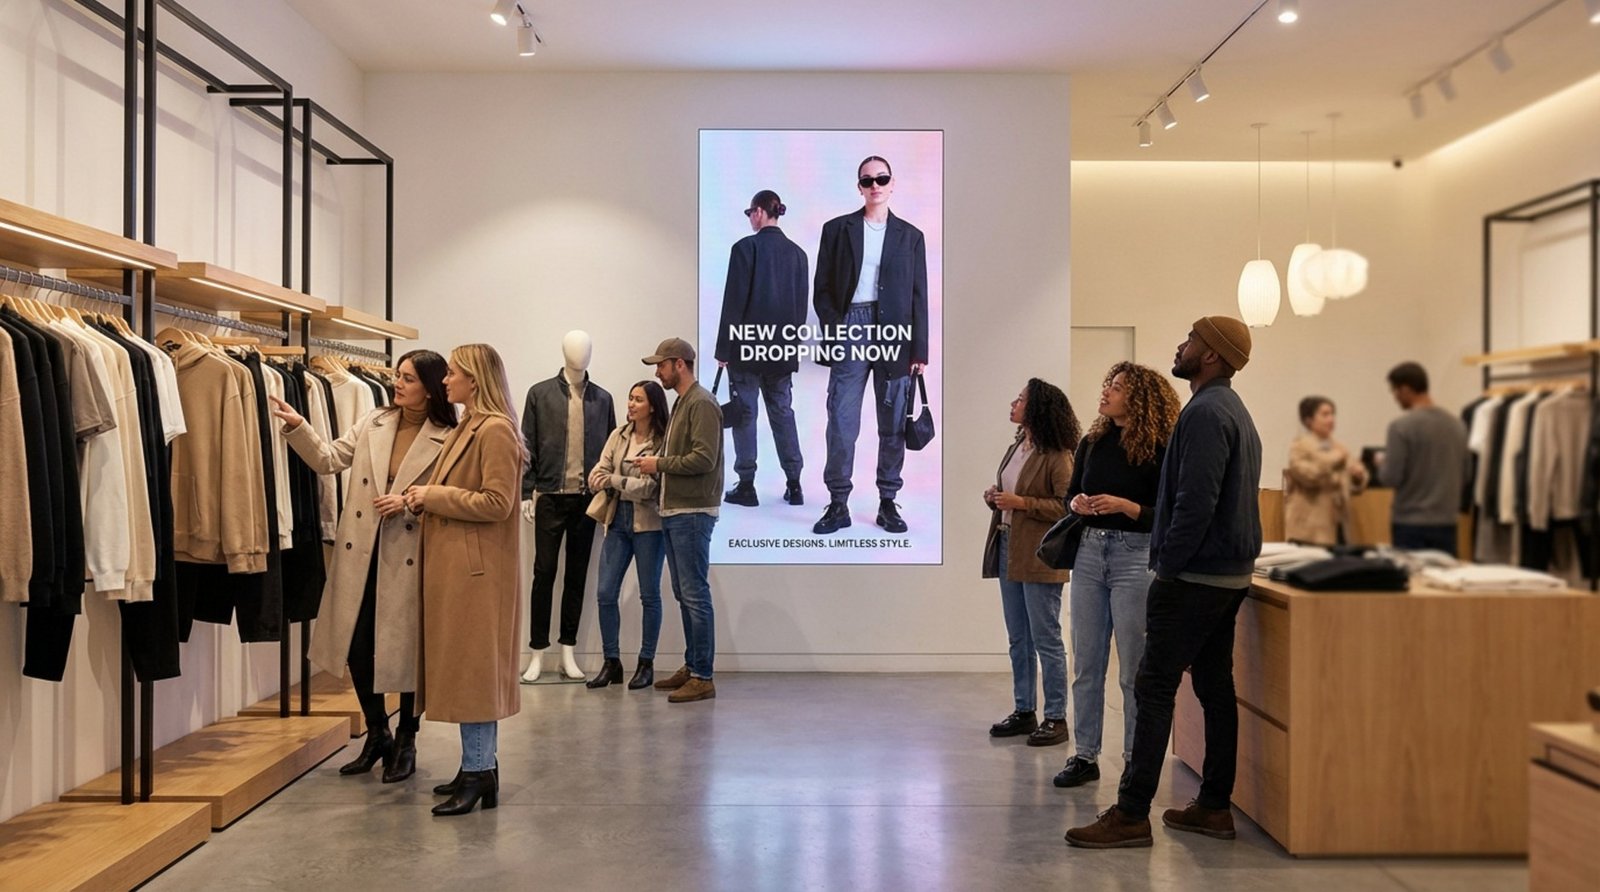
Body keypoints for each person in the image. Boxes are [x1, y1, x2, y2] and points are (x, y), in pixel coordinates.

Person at [1067, 316, 1262, 849]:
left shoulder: (1203, 414)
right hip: (1227, 576)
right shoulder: (1232, 411)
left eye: (1191, 341)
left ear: (1212, 356)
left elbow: (1193, 504)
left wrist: (1168, 565)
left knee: (1154, 687)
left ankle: (1131, 814)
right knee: (1215, 687)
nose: (1181, 346)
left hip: (1195, 576)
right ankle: (1215, 807)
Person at [267, 350, 455, 784]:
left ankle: (408, 737)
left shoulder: (450, 434)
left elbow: (452, 493)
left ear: (430, 386)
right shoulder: (375, 421)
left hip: (410, 553)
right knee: (356, 644)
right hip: (361, 553)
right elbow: (330, 459)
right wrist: (299, 426)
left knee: (407, 649)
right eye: (397, 375)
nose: (397, 383)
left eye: (407, 378)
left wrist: (411, 500)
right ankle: (377, 733)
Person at [402, 343, 526, 816]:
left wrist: (436, 494)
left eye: (453, 373)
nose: (446, 380)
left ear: (475, 380)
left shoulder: (495, 430)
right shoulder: (468, 426)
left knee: (474, 677)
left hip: (478, 574)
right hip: (461, 570)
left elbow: (498, 503)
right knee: (466, 673)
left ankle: (477, 774)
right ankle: (478, 768)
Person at [1054, 362, 1181, 790]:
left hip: (1134, 556)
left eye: (1118, 387)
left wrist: (1126, 507)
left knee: (1132, 670)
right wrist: (1078, 506)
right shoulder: (1093, 441)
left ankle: (1133, 759)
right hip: (1089, 552)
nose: (1106, 391)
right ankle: (1084, 755)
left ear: (1139, 398)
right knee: (1086, 663)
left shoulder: (1162, 447)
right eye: (1108, 383)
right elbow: (1071, 494)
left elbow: (1167, 512)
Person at [811, 155, 929, 536]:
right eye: (867, 180)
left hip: (895, 332)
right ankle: (838, 502)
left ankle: (888, 501)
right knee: (842, 420)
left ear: (892, 183)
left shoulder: (911, 237)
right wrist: (837, 327)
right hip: (853, 325)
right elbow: (823, 288)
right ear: (859, 186)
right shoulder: (837, 230)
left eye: (882, 178)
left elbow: (918, 296)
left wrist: (919, 351)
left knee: (892, 421)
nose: (875, 185)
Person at [982, 378, 1079, 747]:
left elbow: (1068, 507)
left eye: (1019, 399)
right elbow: (1015, 494)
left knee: (1046, 638)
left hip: (1040, 554)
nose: (1013, 402)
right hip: (1008, 545)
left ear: (1036, 407)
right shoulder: (1018, 446)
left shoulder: (1058, 455)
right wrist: (995, 498)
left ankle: (1056, 717)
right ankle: (1025, 710)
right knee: (1018, 638)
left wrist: (1021, 504)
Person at [632, 338, 723, 703]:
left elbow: (704, 458)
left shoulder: (701, 403)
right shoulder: (686, 402)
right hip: (676, 511)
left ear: (679, 365)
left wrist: (659, 464)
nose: (658, 372)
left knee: (694, 595)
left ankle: (703, 675)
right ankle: (694, 665)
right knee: (685, 594)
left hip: (692, 513)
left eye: (661, 365)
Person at [714, 190, 809, 508]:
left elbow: (734, 303)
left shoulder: (744, 249)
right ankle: (794, 484)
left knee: (745, 415)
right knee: (783, 413)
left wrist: (724, 349)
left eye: (749, 213)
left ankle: (747, 484)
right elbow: (799, 310)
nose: (750, 219)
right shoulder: (798, 254)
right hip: (781, 352)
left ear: (758, 212)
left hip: (746, 348)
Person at [585, 380, 671, 691]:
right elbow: (597, 473)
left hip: (650, 526)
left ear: (652, 405)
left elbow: (650, 488)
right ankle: (612, 662)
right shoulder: (618, 435)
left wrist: (614, 480)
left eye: (638, 400)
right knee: (605, 593)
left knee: (650, 596)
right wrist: (611, 479)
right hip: (617, 521)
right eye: (630, 398)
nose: (631, 404)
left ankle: (646, 662)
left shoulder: (663, 440)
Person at [1381, 362, 1468, 554]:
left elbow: (1391, 477)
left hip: (1410, 522)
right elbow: (1466, 473)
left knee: (1414, 580)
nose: (1395, 397)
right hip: (1447, 521)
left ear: (1404, 389)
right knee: (1443, 581)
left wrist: (1381, 464)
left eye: (1394, 391)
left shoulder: (1400, 426)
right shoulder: (1457, 425)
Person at [1284, 396, 1368, 545]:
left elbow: (1355, 480)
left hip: (1338, 524)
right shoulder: (1300, 446)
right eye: (1325, 414)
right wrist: (1335, 459)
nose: (1331, 419)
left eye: (1332, 414)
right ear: (1309, 420)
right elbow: (1309, 476)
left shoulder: (1337, 446)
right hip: (1308, 527)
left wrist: (1358, 476)